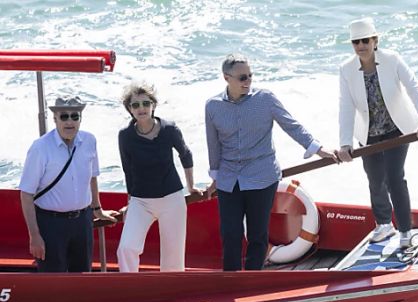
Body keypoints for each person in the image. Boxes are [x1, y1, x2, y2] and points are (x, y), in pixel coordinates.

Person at [205, 54, 338, 271]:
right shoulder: (212, 106)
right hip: (229, 178)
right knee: (230, 233)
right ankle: (229, 281)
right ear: (226, 78)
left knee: (258, 234)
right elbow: (213, 143)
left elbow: (291, 125)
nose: (247, 81)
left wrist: (317, 149)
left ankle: (252, 280)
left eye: (250, 76)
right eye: (241, 78)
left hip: (262, 175)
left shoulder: (265, 99)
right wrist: (215, 178)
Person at [336, 17, 418, 247]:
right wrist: (344, 142)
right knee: (375, 179)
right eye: (355, 42)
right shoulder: (346, 69)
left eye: (365, 40)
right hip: (368, 131)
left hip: (397, 128)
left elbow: (414, 87)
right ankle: (384, 225)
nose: (361, 46)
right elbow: (346, 105)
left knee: (394, 177)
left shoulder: (392, 59)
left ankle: (405, 231)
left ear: (375, 40)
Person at [18, 95, 117, 272]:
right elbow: (26, 194)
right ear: (55, 119)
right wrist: (34, 236)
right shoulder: (40, 148)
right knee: (52, 282)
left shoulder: (89, 141)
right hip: (50, 223)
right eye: (64, 116)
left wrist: (97, 210)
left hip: (82, 222)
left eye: (74, 116)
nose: (69, 121)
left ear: (80, 119)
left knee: (82, 275)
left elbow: (92, 177)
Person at [116, 82, 200, 272]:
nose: (141, 108)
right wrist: (130, 201)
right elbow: (127, 170)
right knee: (126, 248)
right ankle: (129, 291)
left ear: (153, 105)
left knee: (173, 260)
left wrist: (191, 186)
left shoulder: (169, 129)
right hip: (141, 201)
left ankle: (171, 296)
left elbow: (185, 154)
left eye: (145, 103)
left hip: (171, 198)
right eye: (135, 105)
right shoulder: (125, 136)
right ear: (129, 109)